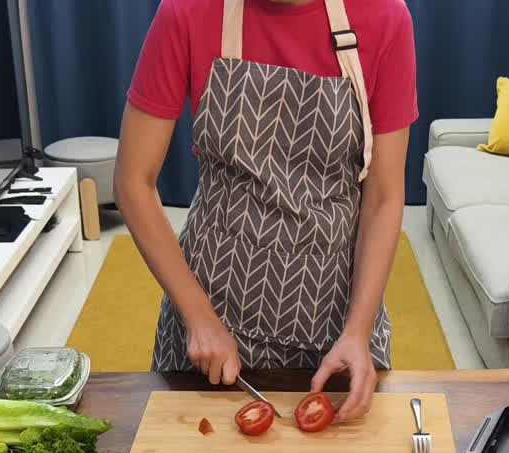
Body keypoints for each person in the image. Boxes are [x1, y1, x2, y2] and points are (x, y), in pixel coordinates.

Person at [114, 0, 417, 421]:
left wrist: (358, 330)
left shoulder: (384, 17)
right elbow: (133, 182)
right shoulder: (188, 12)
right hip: (212, 314)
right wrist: (199, 317)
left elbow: (383, 196)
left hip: (337, 320)